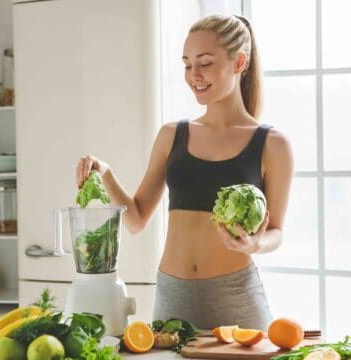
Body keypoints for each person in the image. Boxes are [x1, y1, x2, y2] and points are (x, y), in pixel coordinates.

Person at [76, 14, 293, 331]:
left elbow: (276, 232)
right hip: (173, 295)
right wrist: (105, 172)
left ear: (239, 62)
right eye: (187, 64)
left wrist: (255, 245)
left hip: (235, 295)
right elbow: (136, 218)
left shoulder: (272, 145)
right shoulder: (171, 135)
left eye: (205, 63)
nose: (194, 75)